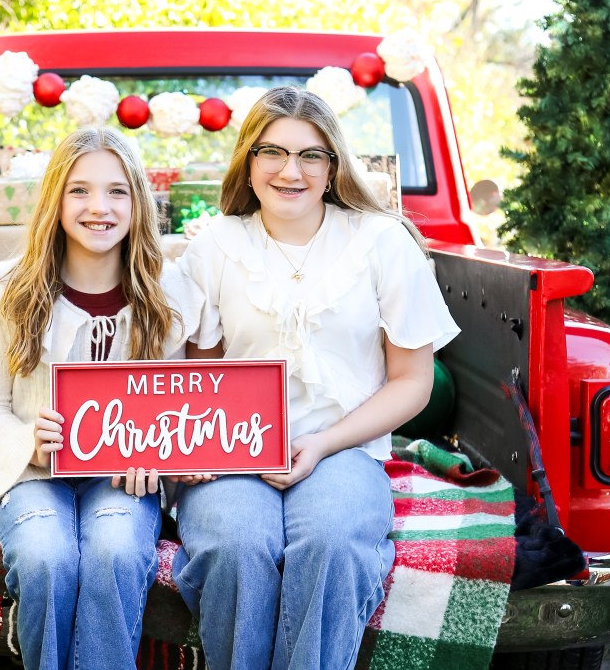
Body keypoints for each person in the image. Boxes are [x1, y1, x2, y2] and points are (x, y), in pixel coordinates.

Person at [172, 86, 460, 670]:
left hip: (345, 447)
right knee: (235, 545)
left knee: (331, 542)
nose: (291, 171)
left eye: (311, 155)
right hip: (234, 450)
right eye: (272, 152)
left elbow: (413, 380)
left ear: (332, 168)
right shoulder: (216, 246)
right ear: (248, 162)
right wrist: (198, 449)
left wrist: (324, 443)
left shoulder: (381, 242)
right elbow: (199, 374)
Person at [0, 126, 200, 670]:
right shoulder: (11, 291)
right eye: (80, 190)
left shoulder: (164, 297)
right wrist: (26, 441)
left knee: (116, 552)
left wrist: (154, 456)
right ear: (55, 199)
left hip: (121, 477)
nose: (100, 207)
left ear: (138, 202)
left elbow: (173, 409)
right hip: (33, 473)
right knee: (45, 558)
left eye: (117, 191)